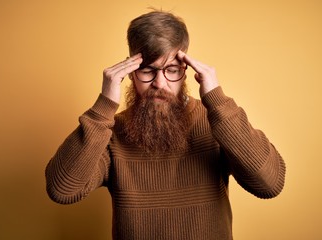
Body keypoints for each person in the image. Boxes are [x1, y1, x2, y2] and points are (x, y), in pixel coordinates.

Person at [45, 10, 286, 240]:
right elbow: (62, 190)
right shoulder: (110, 132)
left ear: (186, 70)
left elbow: (270, 184)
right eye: (148, 70)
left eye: (171, 70)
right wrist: (104, 105)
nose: (160, 83)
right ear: (129, 72)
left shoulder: (218, 120)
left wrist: (218, 100)